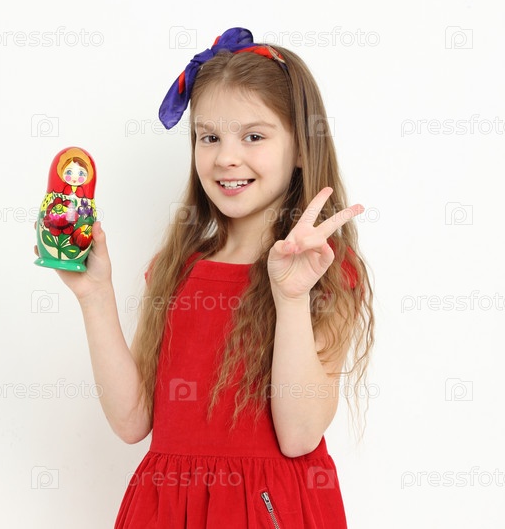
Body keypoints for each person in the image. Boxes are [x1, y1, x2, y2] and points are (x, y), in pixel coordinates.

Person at [33, 26, 374, 528]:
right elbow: (132, 421)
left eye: (253, 136)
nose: (225, 157)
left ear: (302, 147)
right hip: (168, 509)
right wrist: (95, 295)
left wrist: (290, 297)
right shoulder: (176, 268)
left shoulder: (324, 272)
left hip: (269, 511)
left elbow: (299, 434)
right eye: (208, 137)